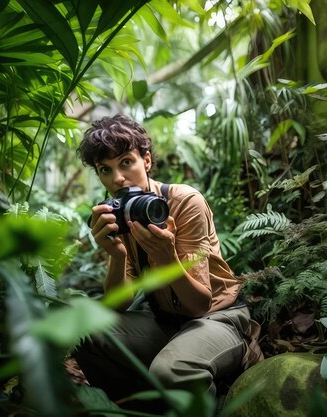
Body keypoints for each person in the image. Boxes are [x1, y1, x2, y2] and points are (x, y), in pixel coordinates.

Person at [73, 114, 263, 410]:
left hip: (217, 317)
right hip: (166, 322)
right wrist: (116, 255)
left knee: (170, 370)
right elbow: (116, 305)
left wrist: (167, 257)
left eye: (126, 162)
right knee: (83, 331)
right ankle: (139, 408)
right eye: (105, 170)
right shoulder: (121, 213)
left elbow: (199, 305)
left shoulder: (184, 202)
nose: (117, 178)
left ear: (146, 160)